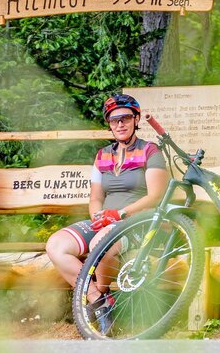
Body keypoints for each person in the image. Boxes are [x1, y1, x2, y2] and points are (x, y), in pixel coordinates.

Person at [45, 93, 169, 328]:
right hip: (107, 222)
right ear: (109, 124)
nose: (120, 124)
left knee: (99, 244)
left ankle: (103, 293)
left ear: (136, 119)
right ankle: (99, 300)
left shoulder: (151, 151)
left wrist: (120, 214)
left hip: (137, 221)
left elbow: (155, 196)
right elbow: (96, 197)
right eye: (114, 120)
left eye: (125, 118)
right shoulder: (102, 155)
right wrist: (97, 215)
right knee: (56, 245)